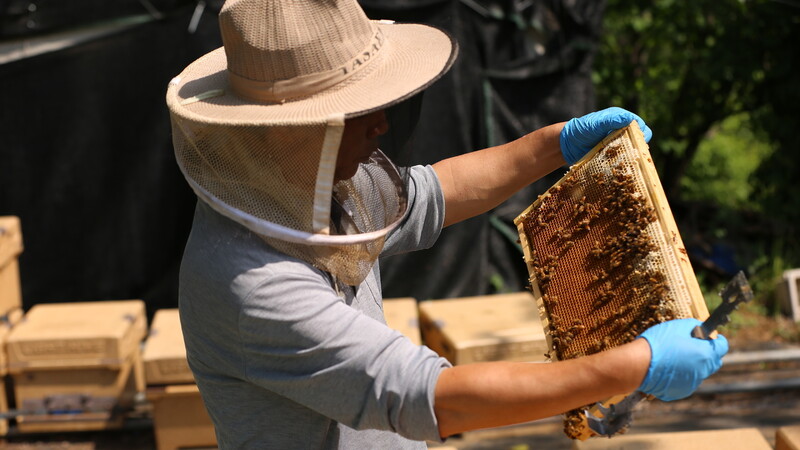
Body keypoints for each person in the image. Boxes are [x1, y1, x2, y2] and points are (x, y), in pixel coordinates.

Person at [166, 0, 728, 448]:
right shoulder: (250, 283)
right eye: (357, 111)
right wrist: (635, 364)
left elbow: (432, 193)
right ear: (291, 128)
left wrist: (553, 143)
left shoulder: (304, 181)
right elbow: (428, 397)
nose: (381, 123)